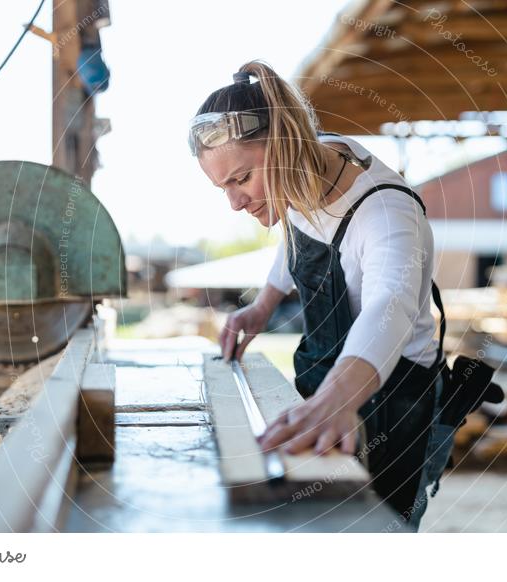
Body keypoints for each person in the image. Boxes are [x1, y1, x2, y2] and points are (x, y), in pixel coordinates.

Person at [188, 60, 444, 528]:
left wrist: (337, 401)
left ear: (286, 145)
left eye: (241, 179)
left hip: (393, 397)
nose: (235, 203)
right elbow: (297, 238)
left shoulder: (386, 213)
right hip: (327, 379)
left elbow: (390, 308)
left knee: (373, 529)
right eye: (222, 187)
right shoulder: (310, 168)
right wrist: (263, 305)